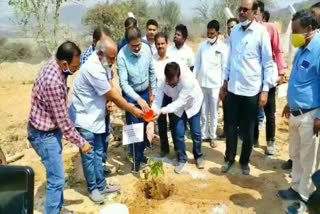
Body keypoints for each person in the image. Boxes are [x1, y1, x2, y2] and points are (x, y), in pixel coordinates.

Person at [69, 37, 144, 203]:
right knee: (89, 155)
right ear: (100, 54)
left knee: (98, 153)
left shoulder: (102, 64)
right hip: (85, 119)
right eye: (111, 57)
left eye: (115, 57)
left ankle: (101, 184)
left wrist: (110, 101)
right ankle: (93, 189)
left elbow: (111, 87)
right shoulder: (92, 69)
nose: (114, 61)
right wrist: (132, 109)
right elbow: (113, 95)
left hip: (97, 117)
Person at [27, 41, 92, 214]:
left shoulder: (53, 64)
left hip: (48, 129)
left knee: (57, 175)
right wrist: (82, 143)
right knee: (56, 179)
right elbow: (64, 123)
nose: (76, 70)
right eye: (74, 67)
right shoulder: (54, 83)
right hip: (43, 135)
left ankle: (59, 208)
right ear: (64, 64)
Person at [220, 0, 273, 175]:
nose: (241, 12)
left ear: (255, 12)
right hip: (233, 90)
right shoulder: (234, 32)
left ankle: (244, 161)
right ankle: (229, 158)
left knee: (248, 131)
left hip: (251, 91)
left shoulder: (261, 33)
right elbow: (229, 59)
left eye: (246, 9)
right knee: (230, 128)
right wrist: (224, 82)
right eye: (240, 9)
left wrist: (265, 90)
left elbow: (268, 64)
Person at [278, 9, 320, 214]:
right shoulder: (302, 48)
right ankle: (295, 188)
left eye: (296, 31)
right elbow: (299, 80)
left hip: (311, 116)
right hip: (296, 112)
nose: (293, 35)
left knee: (308, 160)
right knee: (295, 155)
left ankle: (305, 201)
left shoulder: (319, 50)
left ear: (310, 29)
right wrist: (289, 102)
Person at [152, 62, 204, 174]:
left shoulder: (187, 80)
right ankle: (182, 159)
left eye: (173, 83)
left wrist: (161, 111)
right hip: (177, 107)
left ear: (178, 76)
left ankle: (198, 156)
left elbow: (180, 102)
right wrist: (153, 111)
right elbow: (158, 99)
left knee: (196, 133)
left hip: (192, 104)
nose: (170, 84)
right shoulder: (162, 80)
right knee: (178, 133)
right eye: (169, 82)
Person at [117, 26, 157, 172]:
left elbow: (152, 71)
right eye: (133, 46)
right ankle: (135, 160)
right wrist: (137, 99)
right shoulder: (121, 56)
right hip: (131, 96)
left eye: (138, 45)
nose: (137, 48)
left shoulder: (146, 49)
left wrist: (153, 92)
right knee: (133, 129)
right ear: (127, 43)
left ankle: (141, 155)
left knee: (145, 124)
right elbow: (124, 83)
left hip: (146, 92)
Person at [253, 1, 287, 155]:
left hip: (268, 76)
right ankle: (253, 139)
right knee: (252, 111)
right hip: (252, 78)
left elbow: (278, 50)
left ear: (261, 13)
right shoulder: (248, 30)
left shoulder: (270, 28)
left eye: (256, 12)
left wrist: (281, 71)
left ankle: (270, 141)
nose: (254, 16)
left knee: (269, 112)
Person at [80, 26, 114, 175]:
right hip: (91, 111)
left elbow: (109, 78)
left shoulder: (104, 57)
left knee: (104, 139)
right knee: (93, 145)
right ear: (95, 42)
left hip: (103, 105)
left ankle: (100, 169)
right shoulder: (89, 59)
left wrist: (109, 101)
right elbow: (99, 87)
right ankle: (95, 177)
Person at [194, 20, 229, 148]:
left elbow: (225, 68)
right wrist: (194, 80)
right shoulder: (202, 46)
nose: (210, 36)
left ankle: (213, 135)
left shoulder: (223, 48)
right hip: (202, 84)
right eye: (208, 33)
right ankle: (204, 134)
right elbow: (197, 64)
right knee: (203, 111)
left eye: (212, 33)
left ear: (218, 33)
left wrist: (222, 85)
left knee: (214, 112)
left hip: (215, 85)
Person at [153, 32, 174, 157]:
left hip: (172, 94)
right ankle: (164, 149)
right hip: (159, 95)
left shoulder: (173, 57)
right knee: (161, 124)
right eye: (158, 44)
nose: (160, 46)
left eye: (162, 43)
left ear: (167, 43)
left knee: (174, 122)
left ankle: (177, 148)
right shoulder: (152, 59)